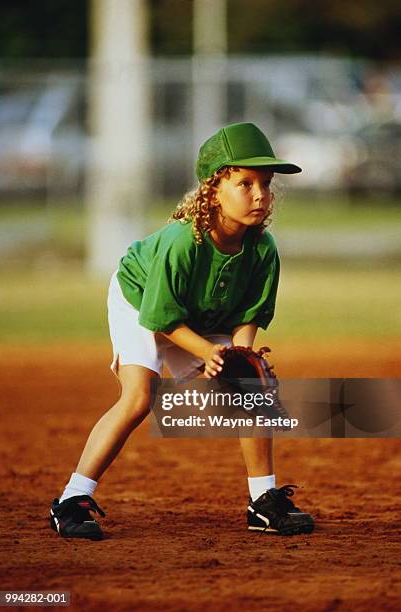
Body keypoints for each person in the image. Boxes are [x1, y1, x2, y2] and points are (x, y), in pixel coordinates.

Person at [49, 122, 314, 540]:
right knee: (138, 398)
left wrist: (239, 358)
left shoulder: (263, 249)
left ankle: (262, 503)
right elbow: (160, 316)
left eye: (266, 182)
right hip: (139, 299)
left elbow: (249, 313)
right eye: (244, 182)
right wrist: (209, 353)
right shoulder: (182, 241)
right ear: (213, 189)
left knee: (250, 387)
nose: (260, 194)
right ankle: (71, 500)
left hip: (194, 316)